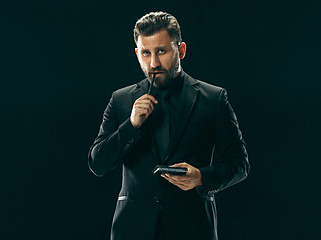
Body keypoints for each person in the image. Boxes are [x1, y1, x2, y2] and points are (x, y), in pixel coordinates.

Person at [88, 11, 249, 240]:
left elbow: (239, 164)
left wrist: (201, 177)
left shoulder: (214, 98)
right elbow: (98, 163)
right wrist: (131, 125)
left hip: (193, 228)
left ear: (181, 50)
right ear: (137, 54)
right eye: (146, 53)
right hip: (132, 230)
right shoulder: (121, 100)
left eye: (161, 51)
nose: (153, 63)